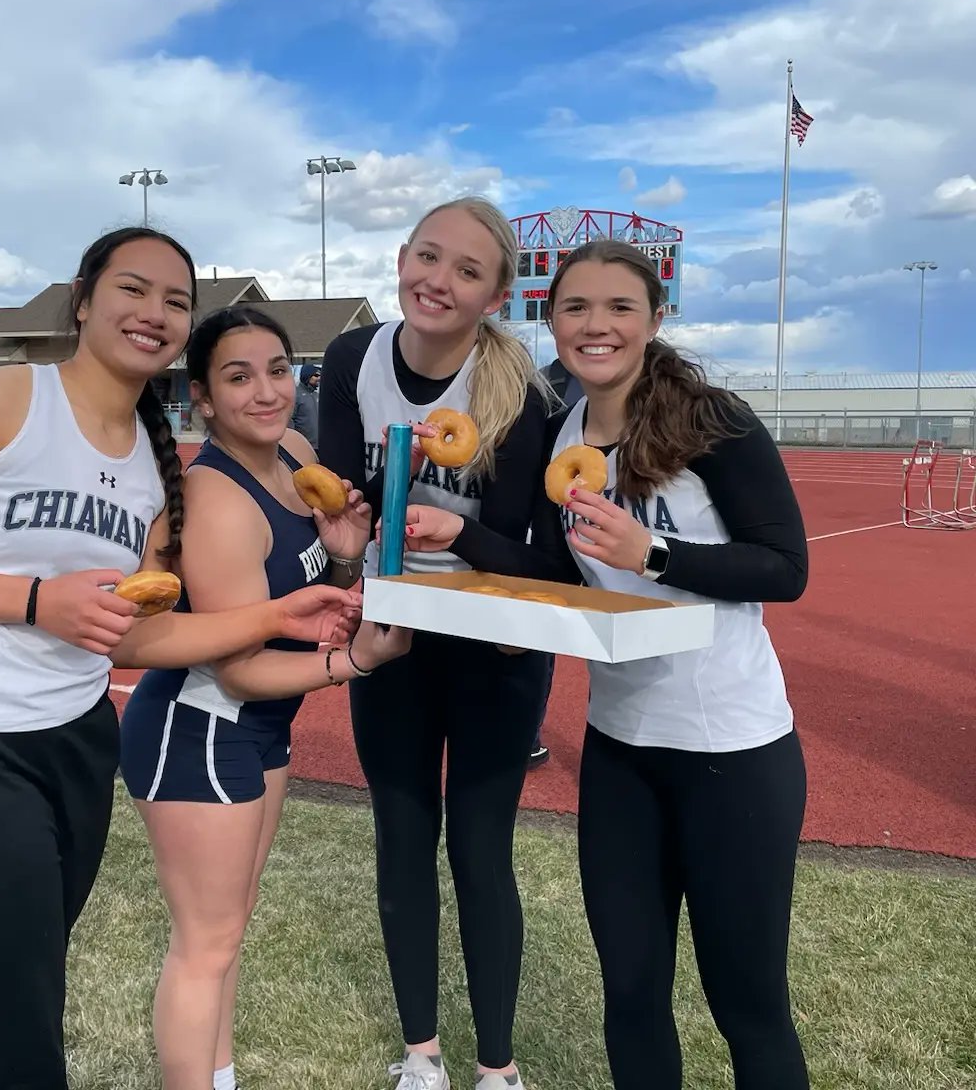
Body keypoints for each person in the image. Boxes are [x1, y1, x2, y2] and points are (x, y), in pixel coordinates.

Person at [0, 227, 362, 1090]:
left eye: (176, 301)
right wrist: (35, 600)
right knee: (8, 1031)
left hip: (74, 745)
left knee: (12, 1004)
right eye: (133, 290)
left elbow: (139, 638)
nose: (155, 313)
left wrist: (279, 610)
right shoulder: (0, 402)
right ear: (83, 300)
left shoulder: (157, 468)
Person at [396, 239, 811, 1089]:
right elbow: (554, 572)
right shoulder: (561, 434)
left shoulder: (714, 420)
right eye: (576, 307)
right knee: (629, 992)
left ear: (656, 319)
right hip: (621, 750)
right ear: (552, 320)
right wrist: (461, 536)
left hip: (733, 750)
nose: (597, 325)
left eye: (620, 307)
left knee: (746, 1001)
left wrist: (652, 551)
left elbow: (784, 566)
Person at [118, 304, 411, 1090]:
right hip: (199, 727)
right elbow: (241, 667)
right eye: (238, 377)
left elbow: (318, 583)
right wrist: (355, 661)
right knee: (204, 944)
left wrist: (347, 561)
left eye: (277, 370)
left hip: (258, 728)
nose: (265, 392)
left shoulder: (295, 451)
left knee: (227, 932)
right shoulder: (214, 499)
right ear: (203, 399)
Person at [318, 196, 558, 1090]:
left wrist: (453, 535)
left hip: (494, 645)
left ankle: (498, 1068)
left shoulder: (521, 393)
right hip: (394, 640)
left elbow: (533, 558)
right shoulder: (354, 357)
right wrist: (346, 550)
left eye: (466, 270)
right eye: (428, 256)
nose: (439, 281)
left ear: (495, 295)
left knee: (481, 850)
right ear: (400, 259)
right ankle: (421, 1055)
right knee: (402, 834)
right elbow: (339, 496)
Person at [527, 359, 583, 769]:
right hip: (537, 538)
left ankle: (526, 732)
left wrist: (652, 555)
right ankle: (526, 733)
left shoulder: (708, 416)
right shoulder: (540, 387)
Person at [291, 361, 320, 447]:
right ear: (307, 376)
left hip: (320, 446)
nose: (319, 378)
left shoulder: (317, 395)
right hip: (303, 446)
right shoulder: (295, 394)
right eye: (316, 375)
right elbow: (289, 420)